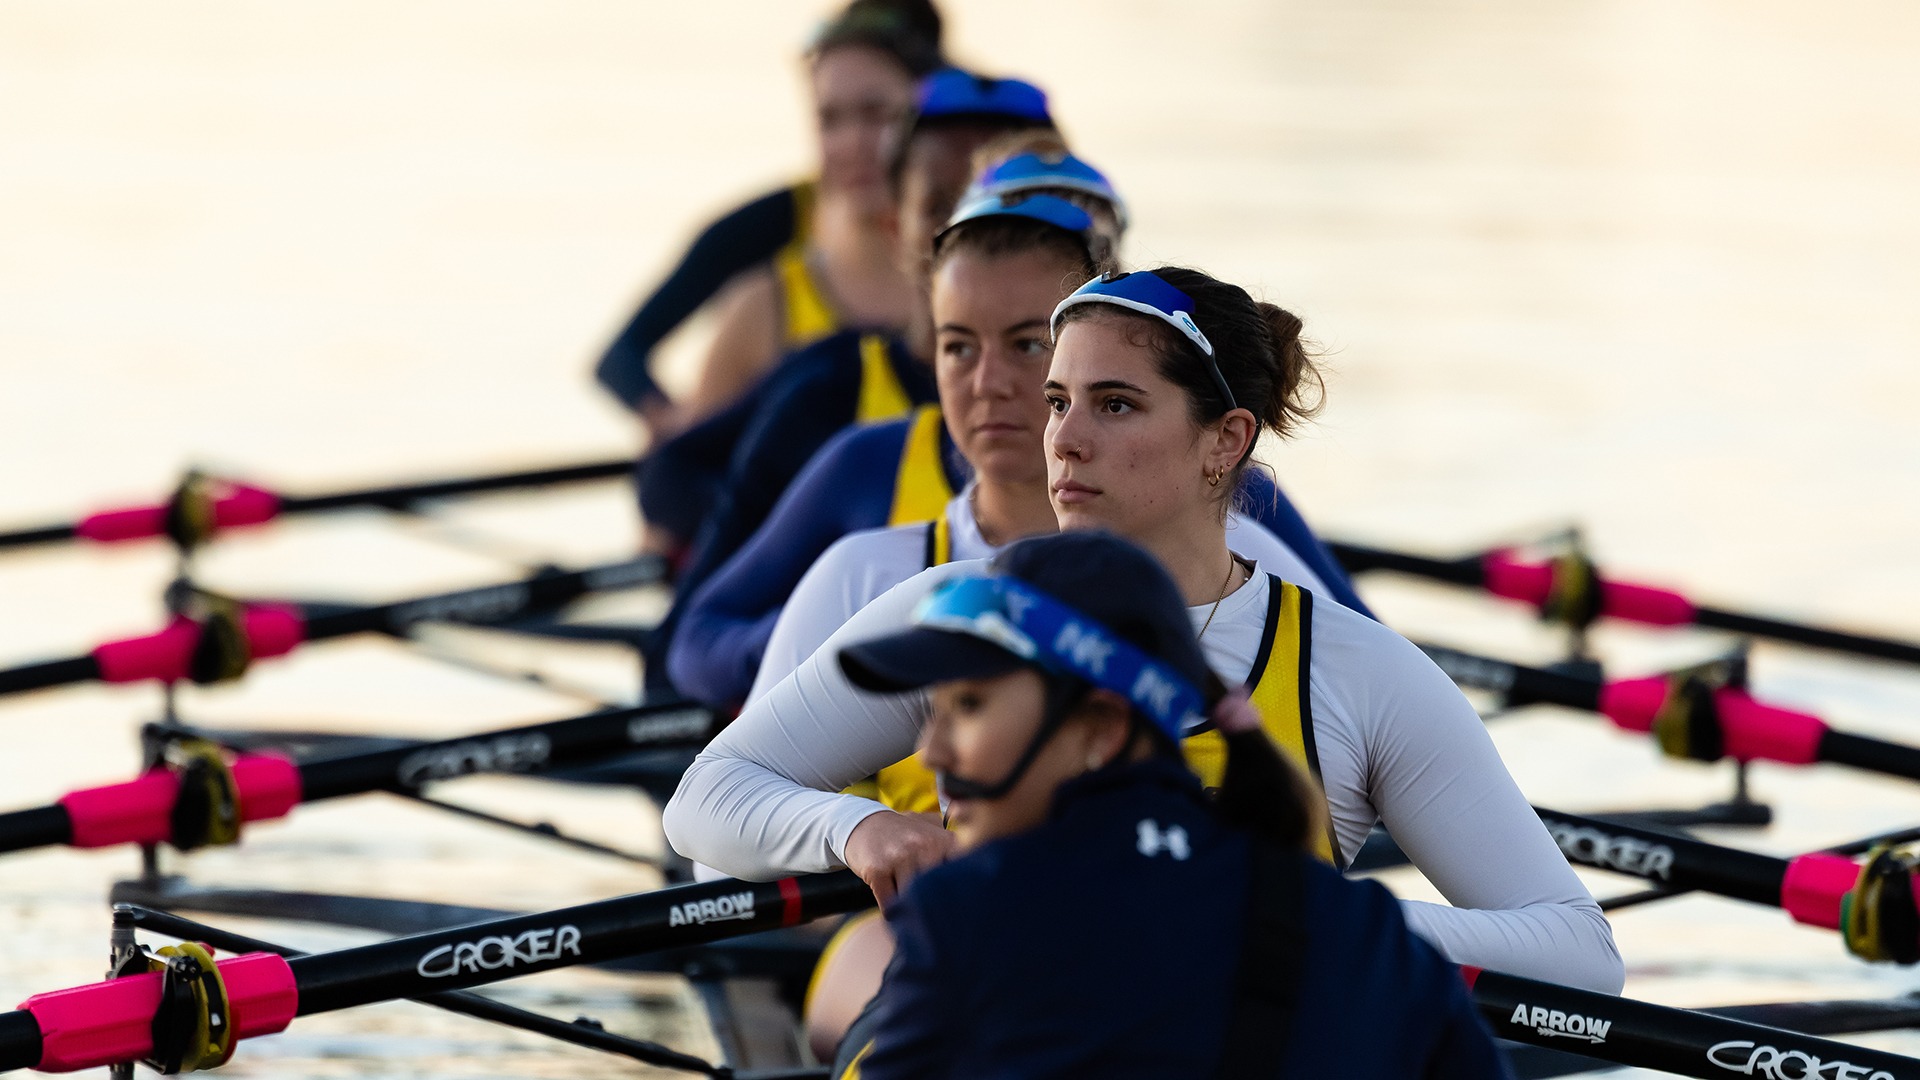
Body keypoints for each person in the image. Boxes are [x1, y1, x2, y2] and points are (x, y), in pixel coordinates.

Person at [662, 265, 1624, 993]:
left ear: (1226, 441)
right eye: (1059, 401)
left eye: (1115, 405)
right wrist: (852, 826)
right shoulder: (956, 614)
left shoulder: (1359, 670)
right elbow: (707, 798)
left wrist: (1301, 917)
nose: (1065, 439)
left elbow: (1578, 951)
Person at [664, 156, 1370, 708]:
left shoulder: (1230, 519)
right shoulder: (865, 499)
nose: (989, 383)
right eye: (959, 346)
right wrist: (825, 649)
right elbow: (706, 701)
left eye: (1029, 346)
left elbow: (1375, 684)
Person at [834, 530, 1511, 1079]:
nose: (933, 753)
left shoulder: (964, 913)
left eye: (969, 706)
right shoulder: (1365, 928)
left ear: (1102, 726)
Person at [641, 72, 1056, 688]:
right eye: (944, 204)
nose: (977, 229)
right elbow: (690, 636)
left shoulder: (1157, 429)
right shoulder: (834, 404)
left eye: (1006, 202)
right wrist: (818, 593)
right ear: (895, 228)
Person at [593, 0, 943, 438]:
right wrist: (679, 429)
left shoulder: (982, 259)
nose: (855, 144)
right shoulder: (764, 261)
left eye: (877, 115)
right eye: (830, 119)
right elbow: (620, 357)